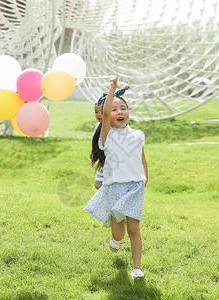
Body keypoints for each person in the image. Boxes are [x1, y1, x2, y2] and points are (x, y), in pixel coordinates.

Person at [85, 75, 148, 279]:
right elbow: (104, 112)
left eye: (123, 108)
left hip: (135, 187)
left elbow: (142, 158)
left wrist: (145, 177)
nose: (119, 112)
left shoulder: (137, 135)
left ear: (128, 112)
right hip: (114, 187)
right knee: (119, 232)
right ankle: (116, 239)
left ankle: (137, 268)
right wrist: (112, 89)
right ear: (105, 116)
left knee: (134, 228)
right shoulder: (107, 136)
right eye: (114, 109)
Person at [92, 102, 103, 189]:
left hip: (110, 161)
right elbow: (94, 141)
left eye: (102, 111)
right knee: (98, 184)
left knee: (99, 184)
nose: (99, 115)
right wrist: (93, 152)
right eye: (96, 112)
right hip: (102, 160)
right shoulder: (97, 126)